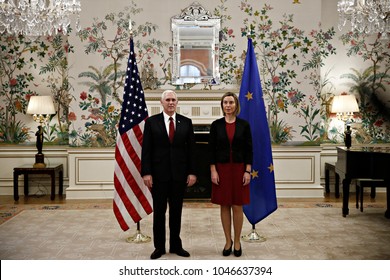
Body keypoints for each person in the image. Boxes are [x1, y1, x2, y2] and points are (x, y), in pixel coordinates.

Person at [141, 89, 197, 259]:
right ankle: (159, 247)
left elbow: (192, 151)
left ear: (177, 102)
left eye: (173, 99)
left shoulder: (186, 122)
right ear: (161, 102)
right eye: (168, 100)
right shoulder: (151, 122)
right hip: (158, 176)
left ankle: (175, 245)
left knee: (176, 212)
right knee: (159, 212)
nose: (171, 102)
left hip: (179, 176)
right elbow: (147, 150)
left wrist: (192, 172)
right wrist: (146, 173)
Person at [208, 92, 253, 257]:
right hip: (222, 169)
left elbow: (249, 149)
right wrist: (213, 170)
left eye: (231, 102)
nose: (228, 105)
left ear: (236, 105)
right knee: (224, 205)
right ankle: (228, 241)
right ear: (222, 105)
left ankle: (238, 241)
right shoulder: (216, 125)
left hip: (240, 169)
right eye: (225, 102)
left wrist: (248, 170)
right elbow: (211, 150)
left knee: (237, 205)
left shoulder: (244, 125)